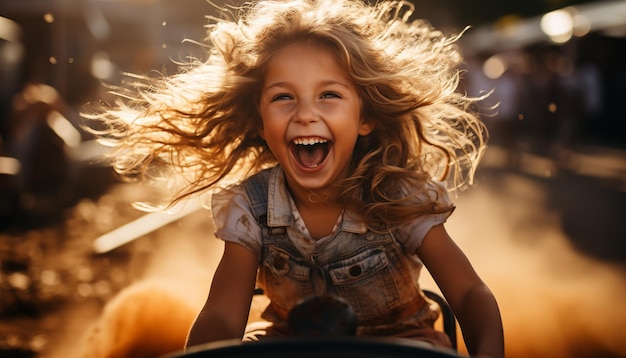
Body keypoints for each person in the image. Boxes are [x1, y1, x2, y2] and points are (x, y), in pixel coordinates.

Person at [85, 0, 504, 357]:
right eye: (283, 97)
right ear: (260, 123)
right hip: (290, 343)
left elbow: (468, 294)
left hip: (400, 342)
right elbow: (222, 315)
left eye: (329, 95)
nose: (305, 113)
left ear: (366, 117)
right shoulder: (250, 207)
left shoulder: (398, 196)